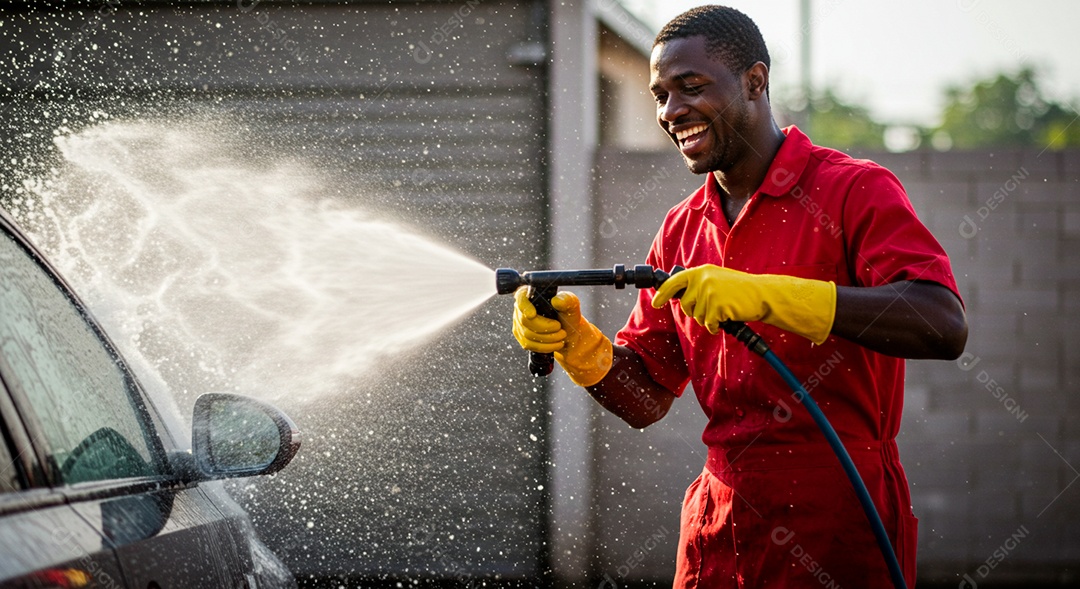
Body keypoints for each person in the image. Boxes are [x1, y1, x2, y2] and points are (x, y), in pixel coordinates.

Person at [512, 5, 968, 588]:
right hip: (718, 529)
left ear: (755, 82)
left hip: (838, 522)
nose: (670, 111)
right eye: (659, 96)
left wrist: (764, 295)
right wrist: (585, 351)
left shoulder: (852, 190)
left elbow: (941, 323)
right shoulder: (682, 229)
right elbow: (647, 398)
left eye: (690, 87)